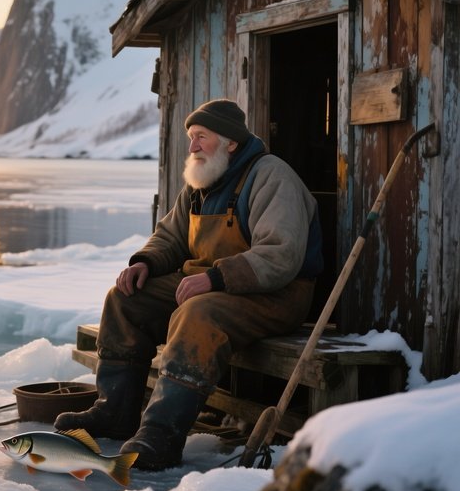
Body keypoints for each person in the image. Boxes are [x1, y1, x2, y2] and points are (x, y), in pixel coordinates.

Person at [55, 98, 323, 471]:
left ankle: (161, 436)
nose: (193, 146)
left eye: (201, 137)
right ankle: (114, 412)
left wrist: (215, 277)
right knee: (124, 300)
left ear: (230, 142)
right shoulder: (201, 183)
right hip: (210, 285)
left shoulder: (271, 177)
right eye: (191, 137)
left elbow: (280, 256)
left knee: (197, 314)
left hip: (273, 294)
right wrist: (145, 262)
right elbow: (170, 237)